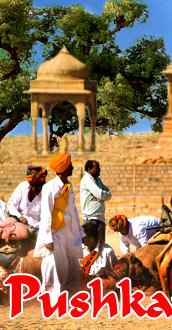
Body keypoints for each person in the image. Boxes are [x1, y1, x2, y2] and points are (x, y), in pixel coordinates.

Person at [34, 152, 85, 302]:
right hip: (55, 233)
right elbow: (46, 213)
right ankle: (52, 301)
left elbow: (73, 210)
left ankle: (71, 299)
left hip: (69, 232)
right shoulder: (49, 187)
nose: (72, 168)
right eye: (69, 166)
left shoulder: (68, 186)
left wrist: (80, 233)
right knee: (54, 267)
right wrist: (47, 238)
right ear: (62, 169)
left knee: (72, 266)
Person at [80, 160, 111, 250]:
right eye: (97, 168)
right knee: (90, 246)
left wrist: (103, 195)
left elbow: (108, 194)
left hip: (100, 218)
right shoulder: (87, 180)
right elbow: (100, 194)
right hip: (91, 219)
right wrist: (103, 195)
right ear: (89, 169)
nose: (99, 170)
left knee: (100, 246)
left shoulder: (97, 180)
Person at [7, 166, 48, 230]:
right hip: (18, 222)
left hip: (36, 228)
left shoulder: (46, 194)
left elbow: (47, 218)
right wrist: (20, 217)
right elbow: (11, 205)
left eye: (41, 185)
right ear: (31, 184)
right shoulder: (23, 187)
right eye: (37, 186)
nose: (39, 188)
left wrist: (32, 227)